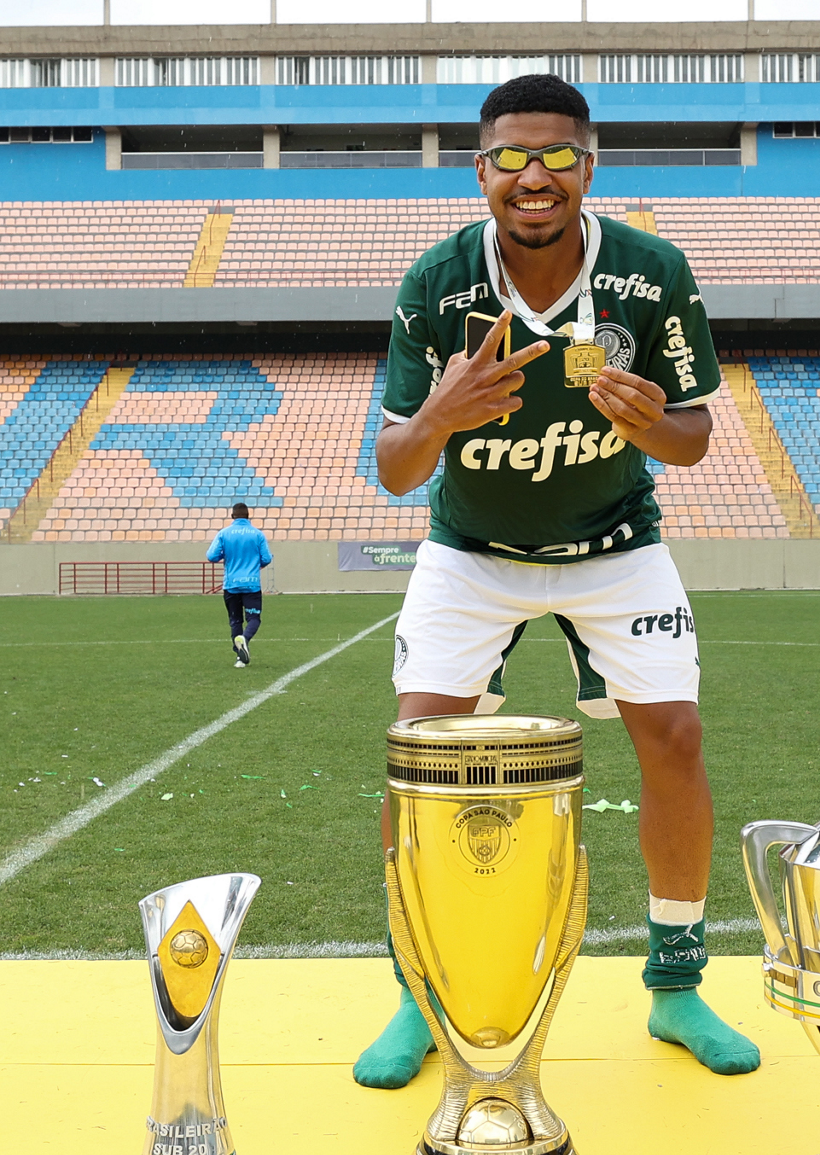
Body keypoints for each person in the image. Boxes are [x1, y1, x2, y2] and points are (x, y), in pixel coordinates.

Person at [355, 74, 760, 1089]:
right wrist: (441, 415)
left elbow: (695, 437)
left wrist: (649, 423)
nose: (532, 175)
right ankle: (418, 992)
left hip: (615, 545)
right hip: (470, 550)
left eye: (556, 156)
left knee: (675, 738)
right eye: (510, 157)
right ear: (480, 171)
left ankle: (676, 986)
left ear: (588, 165)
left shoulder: (651, 272)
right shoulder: (436, 282)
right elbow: (395, 469)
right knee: (418, 756)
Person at [206, 503, 272, 668]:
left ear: (232, 516)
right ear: (248, 516)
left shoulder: (224, 533)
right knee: (254, 618)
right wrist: (255, 565)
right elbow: (266, 558)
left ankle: (239, 658)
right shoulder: (257, 534)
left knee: (235, 621)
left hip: (231, 584)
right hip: (251, 584)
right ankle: (245, 638)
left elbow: (212, 556)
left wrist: (225, 555)